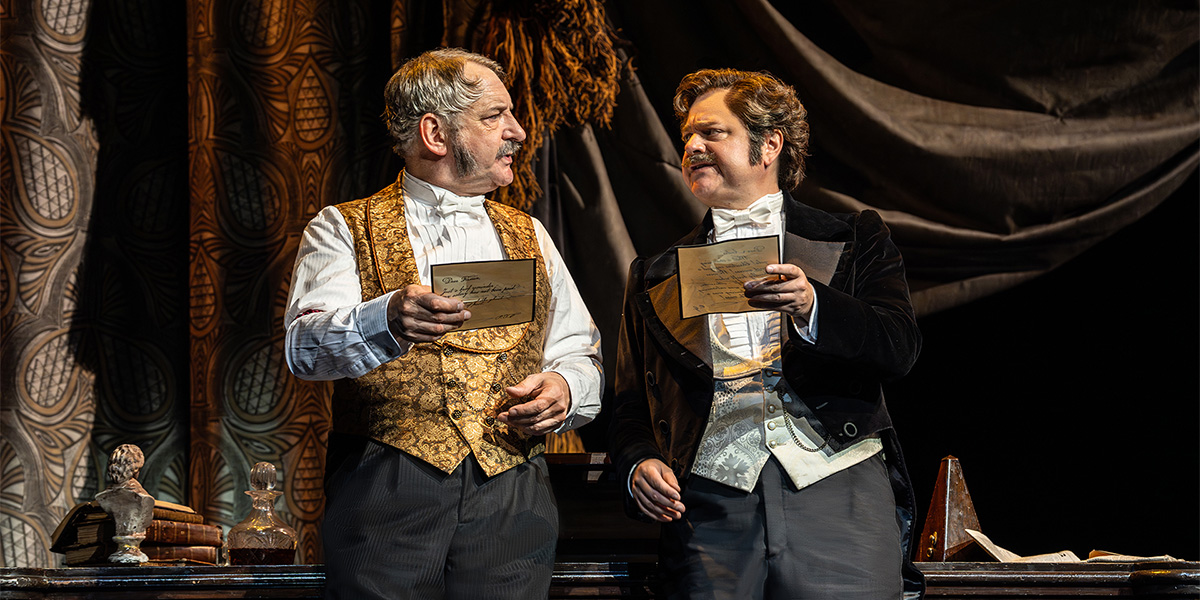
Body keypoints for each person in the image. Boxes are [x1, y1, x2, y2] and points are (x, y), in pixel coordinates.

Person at [283, 48, 604, 600]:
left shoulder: (530, 233)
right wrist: (385, 317)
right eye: (495, 116)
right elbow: (304, 349)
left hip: (512, 489)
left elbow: (581, 352)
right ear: (435, 133)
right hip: (388, 484)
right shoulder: (344, 227)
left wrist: (565, 388)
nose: (518, 132)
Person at [609, 68, 924, 599]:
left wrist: (814, 304)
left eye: (712, 132)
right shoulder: (656, 272)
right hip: (709, 504)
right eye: (687, 135)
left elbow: (898, 345)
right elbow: (629, 401)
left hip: (836, 488)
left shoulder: (851, 238)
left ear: (770, 144)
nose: (692, 145)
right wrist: (637, 459)